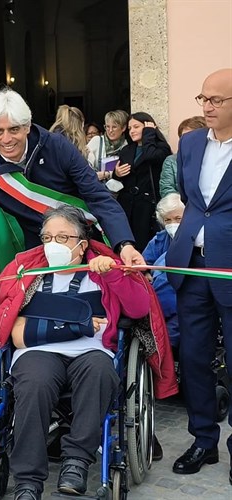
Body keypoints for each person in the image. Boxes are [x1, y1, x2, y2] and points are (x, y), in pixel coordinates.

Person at [0, 205, 175, 499]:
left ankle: (76, 461)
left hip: (90, 351)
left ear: (82, 244)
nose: (52, 245)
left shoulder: (103, 268)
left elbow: (138, 309)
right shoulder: (26, 270)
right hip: (38, 351)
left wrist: (113, 275)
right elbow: (2, 311)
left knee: (99, 372)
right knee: (33, 383)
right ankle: (27, 479)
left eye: (62, 238)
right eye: (47, 238)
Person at [0, 88, 145, 284]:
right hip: (39, 253)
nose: (6, 139)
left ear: (27, 125)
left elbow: (98, 197)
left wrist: (124, 244)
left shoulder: (57, 147)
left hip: (85, 245)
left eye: (14, 129)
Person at [166, 68, 232, 481]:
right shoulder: (189, 143)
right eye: (203, 99)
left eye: (216, 100)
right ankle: (204, 440)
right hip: (190, 263)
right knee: (193, 357)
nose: (207, 107)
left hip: (230, 268)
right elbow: (194, 201)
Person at [113, 112, 172, 251]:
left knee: (144, 244)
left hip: (147, 205)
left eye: (136, 127)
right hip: (127, 204)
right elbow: (120, 178)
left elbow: (151, 156)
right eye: (129, 128)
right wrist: (117, 174)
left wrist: (149, 134)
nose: (132, 131)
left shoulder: (161, 148)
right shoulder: (127, 150)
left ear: (148, 127)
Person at [142, 193, 185, 348]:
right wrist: (146, 273)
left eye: (178, 218)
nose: (172, 223)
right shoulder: (159, 239)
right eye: (168, 220)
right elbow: (143, 263)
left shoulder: (199, 241)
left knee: (170, 334)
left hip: (183, 301)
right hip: (157, 303)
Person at [159, 116, 207, 198]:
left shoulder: (212, 157)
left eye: (191, 137)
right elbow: (167, 189)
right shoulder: (171, 161)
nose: (187, 141)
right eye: (183, 137)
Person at [87, 110, 129, 182]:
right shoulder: (97, 141)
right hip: (96, 187)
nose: (110, 130)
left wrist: (107, 174)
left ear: (123, 128)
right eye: (107, 127)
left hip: (117, 190)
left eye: (114, 127)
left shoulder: (127, 146)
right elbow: (84, 163)